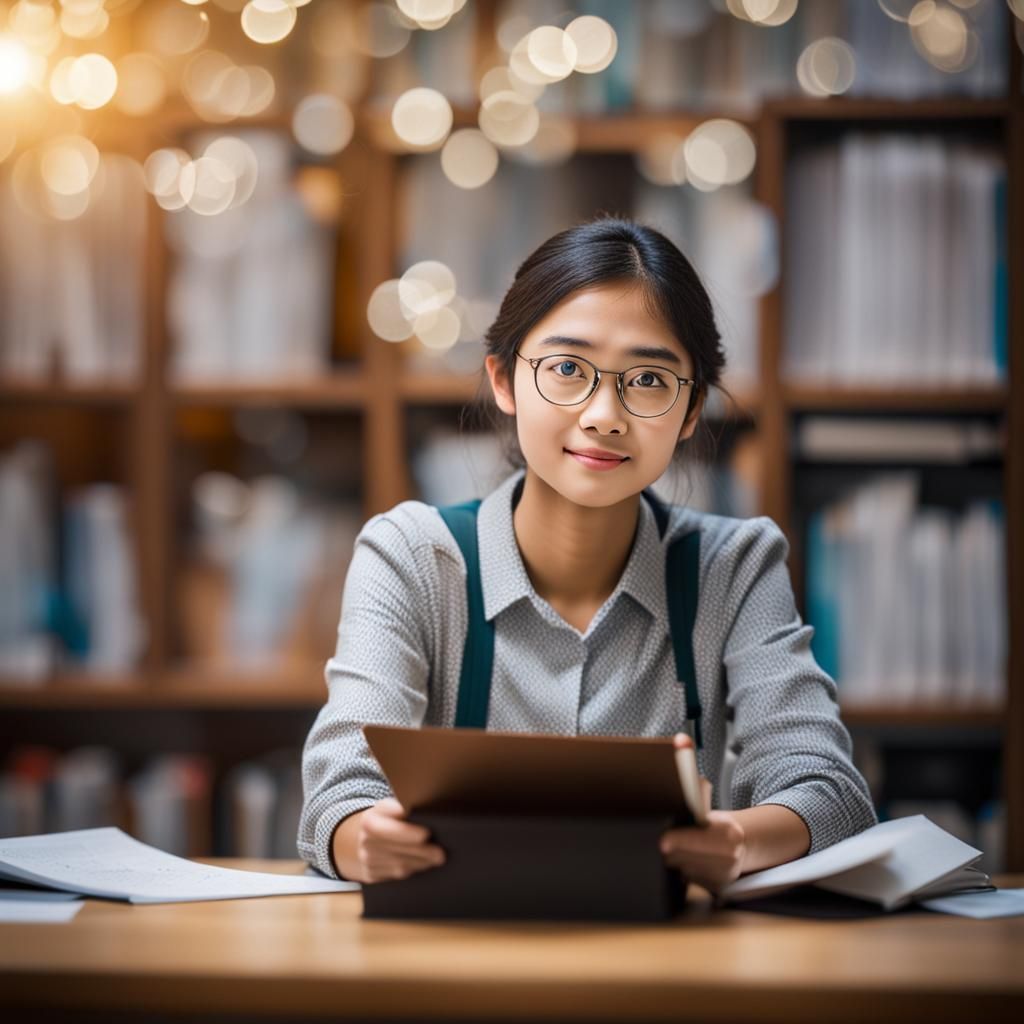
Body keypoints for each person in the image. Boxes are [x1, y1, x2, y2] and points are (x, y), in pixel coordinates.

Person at [298, 218, 876, 893]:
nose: (605, 414)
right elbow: (339, 791)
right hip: (451, 960)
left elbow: (831, 792)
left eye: (651, 380)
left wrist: (738, 840)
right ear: (504, 381)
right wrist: (360, 837)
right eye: (568, 368)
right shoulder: (410, 558)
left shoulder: (735, 567)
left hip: (677, 969)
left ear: (692, 412)